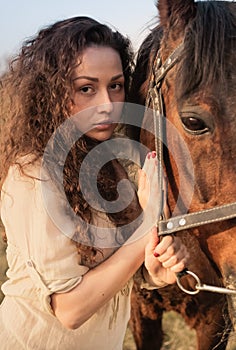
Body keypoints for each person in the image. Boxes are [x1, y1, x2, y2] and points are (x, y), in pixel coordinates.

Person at [0, 16, 189, 350]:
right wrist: (146, 226)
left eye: (115, 85)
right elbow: (70, 310)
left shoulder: (103, 161)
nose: (107, 105)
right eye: (86, 88)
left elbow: (118, 272)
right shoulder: (32, 172)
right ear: (52, 93)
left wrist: (157, 269)